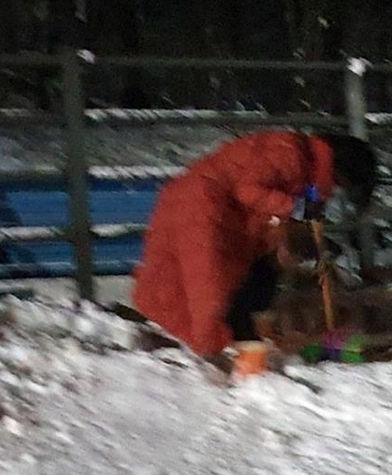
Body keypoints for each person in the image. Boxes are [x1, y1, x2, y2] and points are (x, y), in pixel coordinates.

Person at [131, 129, 378, 360]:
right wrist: (298, 207)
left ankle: (235, 343)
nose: (335, 191)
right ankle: (215, 352)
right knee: (205, 288)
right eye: (340, 185)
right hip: (202, 206)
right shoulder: (290, 153)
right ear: (340, 170)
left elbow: (264, 211)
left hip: (218, 211)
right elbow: (248, 191)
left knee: (237, 280)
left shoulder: (305, 164)